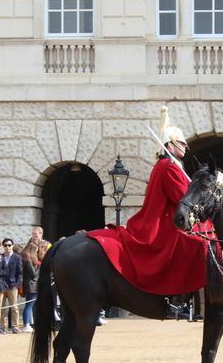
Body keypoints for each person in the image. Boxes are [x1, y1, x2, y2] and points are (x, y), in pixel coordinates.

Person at [87, 106, 209, 305]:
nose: (185, 147)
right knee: (195, 244)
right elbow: (181, 197)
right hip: (163, 222)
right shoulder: (169, 167)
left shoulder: (167, 165)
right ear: (170, 145)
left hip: (165, 218)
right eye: (181, 143)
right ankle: (178, 297)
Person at [0, 238, 22, 333]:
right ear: (3, 246)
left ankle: (15, 326)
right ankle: (1, 326)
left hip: (12, 285)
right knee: (1, 307)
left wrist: (17, 284)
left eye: (9, 245)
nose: (7, 247)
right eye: (5, 245)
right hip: (1, 285)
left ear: (12, 246)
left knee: (14, 307)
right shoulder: (0, 257)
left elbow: (20, 273)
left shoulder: (17, 257)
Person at [21, 241, 40, 332]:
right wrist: (39, 267)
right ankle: (26, 324)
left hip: (31, 285)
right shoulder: (28, 260)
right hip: (31, 285)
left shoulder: (27, 259)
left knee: (30, 305)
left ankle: (29, 323)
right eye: (36, 251)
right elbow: (33, 274)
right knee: (29, 305)